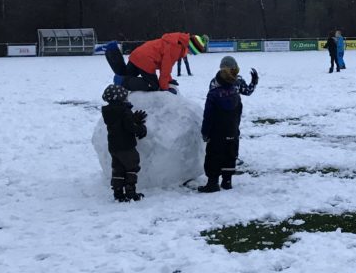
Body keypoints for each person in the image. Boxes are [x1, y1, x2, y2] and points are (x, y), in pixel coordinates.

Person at [198, 56, 259, 193]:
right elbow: (247, 92)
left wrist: (205, 132)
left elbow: (209, 113)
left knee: (214, 154)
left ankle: (213, 182)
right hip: (232, 126)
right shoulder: (237, 85)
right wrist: (254, 82)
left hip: (217, 128)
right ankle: (227, 181)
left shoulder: (214, 86)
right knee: (230, 153)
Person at [106, 33, 207, 93]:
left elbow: (167, 67)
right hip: (146, 60)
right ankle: (122, 81)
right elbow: (165, 68)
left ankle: (113, 51)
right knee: (153, 86)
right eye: (192, 52)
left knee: (127, 74)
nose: (189, 54)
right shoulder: (176, 48)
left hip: (137, 54)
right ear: (189, 47)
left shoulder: (177, 41)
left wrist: (169, 80)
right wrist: (165, 88)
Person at [101, 84, 148, 202]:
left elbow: (120, 123)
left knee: (118, 168)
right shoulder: (124, 111)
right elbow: (129, 127)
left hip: (114, 147)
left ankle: (118, 192)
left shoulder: (109, 112)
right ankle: (130, 191)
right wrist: (141, 128)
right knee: (132, 166)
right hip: (126, 146)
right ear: (120, 98)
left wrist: (132, 118)